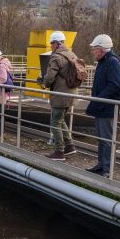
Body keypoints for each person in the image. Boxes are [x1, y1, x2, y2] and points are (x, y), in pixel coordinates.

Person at [85, 34, 120, 177]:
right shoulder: (103, 62)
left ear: (101, 49)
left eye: (94, 49)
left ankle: (107, 169)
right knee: (101, 138)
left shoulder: (112, 62)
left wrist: (99, 98)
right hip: (101, 106)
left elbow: (114, 85)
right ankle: (101, 165)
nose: (93, 51)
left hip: (107, 107)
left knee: (106, 139)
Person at [43, 31, 78, 161]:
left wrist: (44, 83)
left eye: (52, 43)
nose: (51, 46)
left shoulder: (56, 57)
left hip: (60, 95)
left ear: (57, 44)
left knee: (55, 122)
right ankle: (70, 146)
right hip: (72, 94)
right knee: (61, 120)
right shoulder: (72, 54)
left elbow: (49, 77)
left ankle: (59, 151)